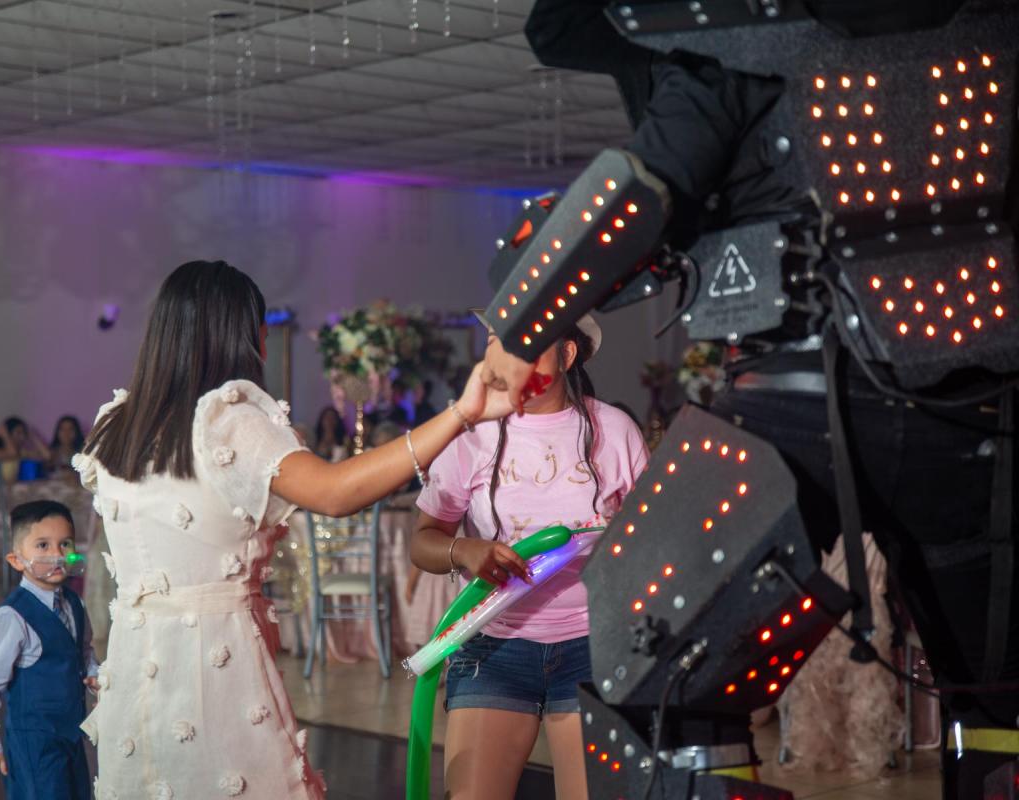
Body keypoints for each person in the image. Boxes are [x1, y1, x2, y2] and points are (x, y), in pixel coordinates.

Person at [477, 2, 1019, 796]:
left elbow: (642, 190)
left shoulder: (731, 34)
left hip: (789, 408)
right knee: (998, 700)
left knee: (664, 690)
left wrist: (521, 325)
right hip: (977, 425)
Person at [73, 260, 511, 800]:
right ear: (244, 336)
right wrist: (461, 415)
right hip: (215, 667)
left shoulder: (116, 423)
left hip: (136, 664)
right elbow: (335, 492)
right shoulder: (226, 419)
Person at [411, 315, 648, 800]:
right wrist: (465, 550)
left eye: (527, 343)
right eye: (498, 342)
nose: (507, 358)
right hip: (493, 645)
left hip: (593, 647)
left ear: (567, 354)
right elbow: (423, 542)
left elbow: (652, 538)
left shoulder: (615, 430)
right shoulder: (471, 435)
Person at [0, 500, 99, 800]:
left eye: (65, 544)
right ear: (16, 560)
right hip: (35, 744)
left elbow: (83, 653)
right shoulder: (11, 617)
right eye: (42, 545)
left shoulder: (75, 603)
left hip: (72, 735)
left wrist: (96, 677)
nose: (57, 555)